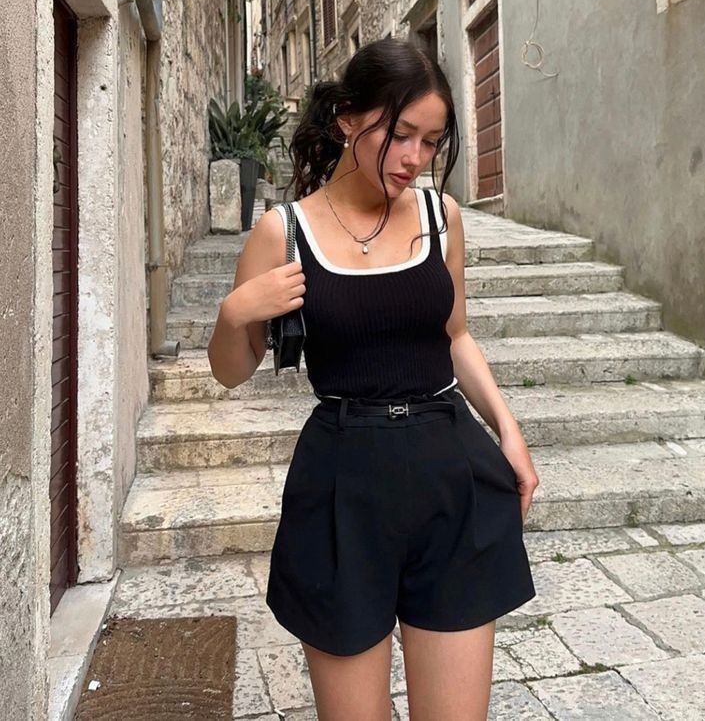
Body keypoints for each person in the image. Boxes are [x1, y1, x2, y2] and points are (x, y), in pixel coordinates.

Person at [207, 37, 539, 720]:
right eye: (400, 135)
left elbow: (455, 335)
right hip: (342, 484)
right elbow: (230, 372)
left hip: (450, 473)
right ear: (348, 120)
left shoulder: (438, 218)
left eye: (431, 140)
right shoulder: (283, 233)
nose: (415, 158)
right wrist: (234, 314)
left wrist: (508, 430)